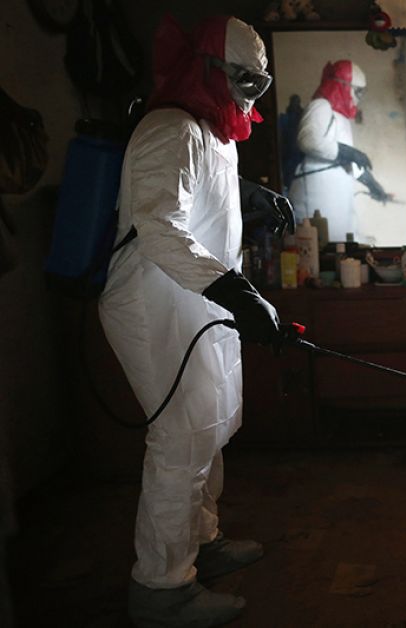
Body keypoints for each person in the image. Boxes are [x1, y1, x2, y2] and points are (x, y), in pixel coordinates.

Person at [98, 15, 291, 627]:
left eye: (257, 87)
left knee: (211, 426)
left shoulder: (212, 133)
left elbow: (202, 183)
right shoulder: (169, 127)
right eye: (241, 82)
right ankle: (161, 588)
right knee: (181, 439)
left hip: (193, 299)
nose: (246, 98)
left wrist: (247, 192)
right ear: (206, 68)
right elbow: (159, 224)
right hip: (153, 302)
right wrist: (236, 292)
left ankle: (201, 543)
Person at [287, 59, 391, 241]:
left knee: (341, 241)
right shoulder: (320, 106)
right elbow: (309, 140)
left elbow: (345, 157)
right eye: (357, 91)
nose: (358, 97)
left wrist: (371, 183)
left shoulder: (341, 119)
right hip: (316, 193)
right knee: (316, 245)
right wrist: (350, 153)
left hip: (336, 196)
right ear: (343, 86)